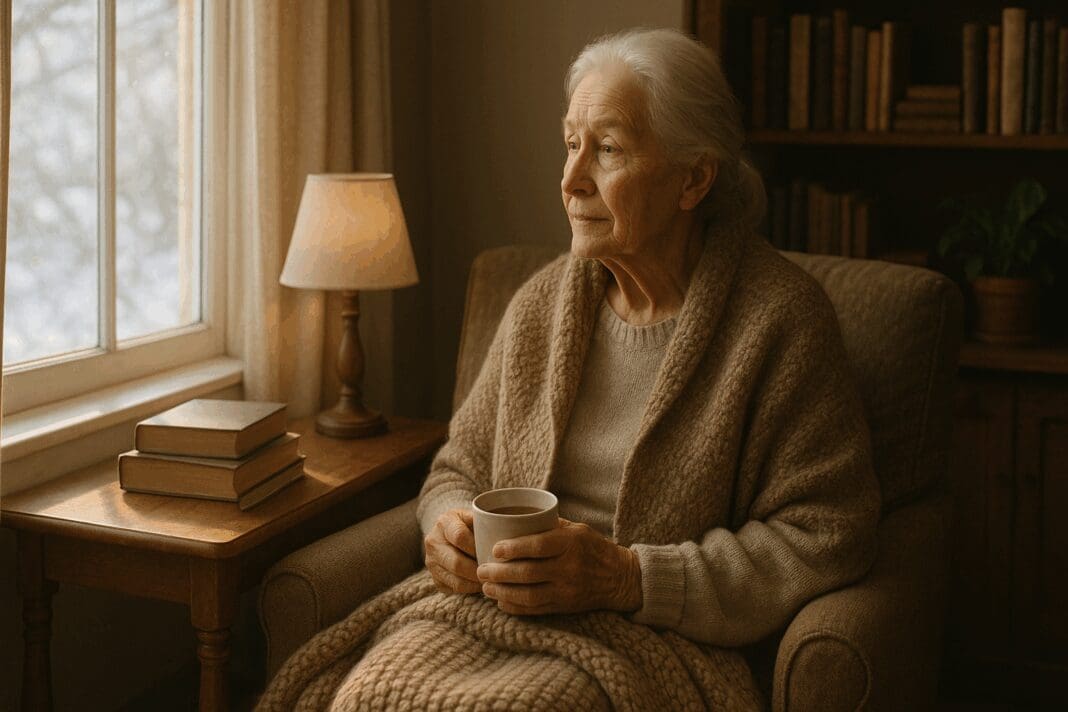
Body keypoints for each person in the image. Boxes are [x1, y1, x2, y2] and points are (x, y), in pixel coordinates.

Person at [258, 27, 880, 711]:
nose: (571, 179)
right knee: (363, 699)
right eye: (569, 144)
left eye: (607, 149)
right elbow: (456, 468)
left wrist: (630, 578)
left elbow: (823, 533)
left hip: (647, 637)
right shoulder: (540, 305)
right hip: (481, 614)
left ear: (693, 179)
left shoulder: (780, 321)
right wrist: (449, 527)